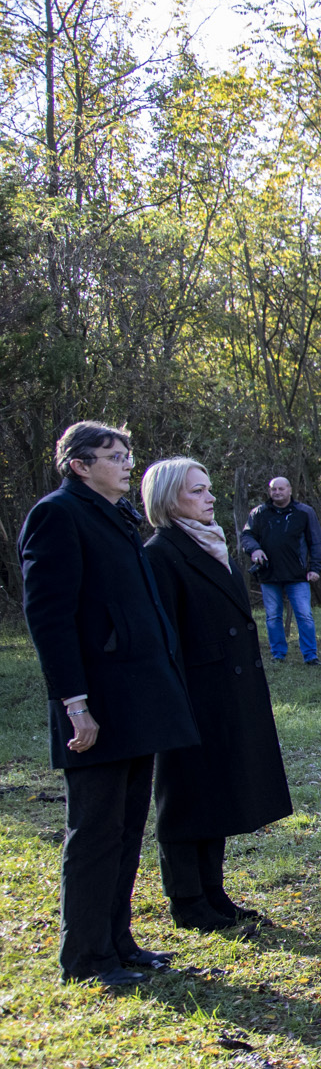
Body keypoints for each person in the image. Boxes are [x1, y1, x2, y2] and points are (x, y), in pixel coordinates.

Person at [16, 422, 200, 986]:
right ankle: (86, 958)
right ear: (79, 464)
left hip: (136, 701)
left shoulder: (117, 517)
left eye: (127, 455)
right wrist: (75, 703)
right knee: (94, 831)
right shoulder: (57, 515)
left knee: (125, 827)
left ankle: (118, 943)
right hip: (93, 708)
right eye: (113, 456)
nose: (126, 464)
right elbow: (49, 619)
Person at [141, 458, 295, 931]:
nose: (209, 498)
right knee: (187, 796)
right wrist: (174, 699)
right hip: (191, 693)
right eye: (197, 491)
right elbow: (161, 637)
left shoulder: (213, 546)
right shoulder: (161, 553)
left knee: (217, 793)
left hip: (226, 692)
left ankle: (214, 893)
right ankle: (187, 901)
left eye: (209, 489)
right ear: (170, 500)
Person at [240, 475, 321, 666]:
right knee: (272, 617)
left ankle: (311, 656)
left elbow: (316, 541)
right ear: (269, 492)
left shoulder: (304, 512)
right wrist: (255, 549)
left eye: (281, 489)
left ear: (290, 490)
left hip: (298, 575)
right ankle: (278, 655)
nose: (277, 492)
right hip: (269, 574)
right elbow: (246, 535)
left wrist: (316, 568)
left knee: (304, 615)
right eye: (273, 489)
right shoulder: (259, 513)